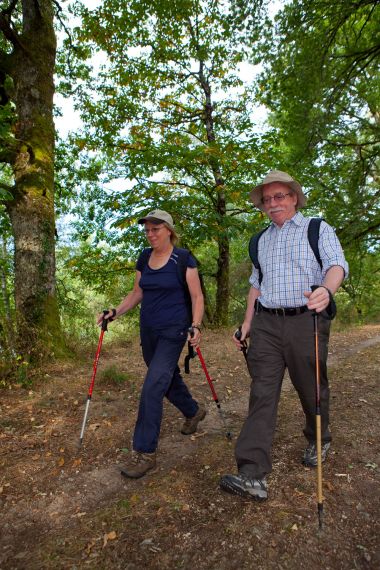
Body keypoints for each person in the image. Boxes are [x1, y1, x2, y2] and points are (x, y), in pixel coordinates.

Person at [220, 170, 348, 501]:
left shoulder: (317, 228)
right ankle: (252, 472)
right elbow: (256, 284)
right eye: (267, 199)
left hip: (307, 320)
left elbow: (336, 265)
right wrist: (247, 322)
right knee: (261, 392)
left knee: (311, 387)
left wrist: (326, 290)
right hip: (266, 324)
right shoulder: (259, 240)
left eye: (280, 196)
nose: (273, 203)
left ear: (294, 197)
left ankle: (319, 439)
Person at [98, 209, 205, 479]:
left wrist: (196, 325)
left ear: (168, 230)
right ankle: (193, 411)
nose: (150, 234)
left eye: (155, 229)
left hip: (174, 331)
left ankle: (144, 452)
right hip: (148, 331)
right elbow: (137, 292)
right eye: (146, 230)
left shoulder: (183, 259)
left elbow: (197, 296)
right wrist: (115, 312)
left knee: (152, 386)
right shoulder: (145, 257)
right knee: (165, 377)